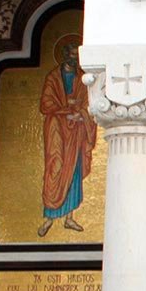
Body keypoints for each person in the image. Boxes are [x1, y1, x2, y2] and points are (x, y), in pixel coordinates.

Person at [38, 33, 98, 236]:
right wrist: (66, 109)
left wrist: (80, 113)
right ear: (65, 55)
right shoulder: (53, 78)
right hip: (57, 128)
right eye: (72, 55)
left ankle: (69, 218)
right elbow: (46, 104)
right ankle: (49, 217)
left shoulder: (83, 78)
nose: (75, 59)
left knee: (74, 169)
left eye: (77, 55)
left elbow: (89, 103)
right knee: (55, 166)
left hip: (76, 130)